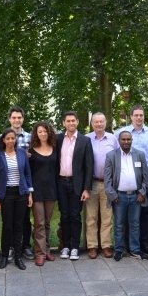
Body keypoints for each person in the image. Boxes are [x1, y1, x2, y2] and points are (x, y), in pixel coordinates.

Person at [115, 105, 148, 255]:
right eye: (136, 115)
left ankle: (144, 243)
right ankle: (126, 244)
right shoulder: (120, 133)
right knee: (126, 211)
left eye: (141, 115)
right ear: (131, 116)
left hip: (147, 174)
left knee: (146, 210)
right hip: (128, 173)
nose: (139, 118)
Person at [104, 131, 148, 261]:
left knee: (135, 224)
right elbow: (107, 180)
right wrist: (113, 195)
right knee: (118, 224)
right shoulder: (111, 156)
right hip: (119, 197)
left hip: (136, 196)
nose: (126, 142)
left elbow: (146, 177)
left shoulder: (139, 155)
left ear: (132, 140)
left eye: (128, 139)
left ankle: (135, 250)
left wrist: (142, 192)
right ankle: (119, 250)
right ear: (119, 141)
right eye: (123, 139)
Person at [0, 128, 34, 270]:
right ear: (3, 140)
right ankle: (4, 256)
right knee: (7, 226)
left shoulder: (22, 153)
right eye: (8, 138)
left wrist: (29, 193)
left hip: (21, 193)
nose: (11, 141)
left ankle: (17, 257)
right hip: (6, 195)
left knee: (19, 226)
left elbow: (27, 174)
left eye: (13, 138)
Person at [56, 111, 94, 260]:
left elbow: (89, 166)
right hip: (61, 182)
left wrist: (86, 188)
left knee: (75, 215)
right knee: (64, 215)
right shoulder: (58, 139)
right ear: (63, 123)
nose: (71, 123)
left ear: (77, 122)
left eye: (73, 120)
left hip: (76, 183)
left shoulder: (84, 141)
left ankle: (75, 247)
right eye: (68, 121)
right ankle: (65, 246)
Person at [85, 112, 118, 259]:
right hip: (91, 183)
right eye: (96, 122)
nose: (99, 124)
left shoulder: (113, 138)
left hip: (108, 183)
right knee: (91, 217)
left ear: (106, 122)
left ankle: (106, 245)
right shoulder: (86, 139)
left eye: (101, 121)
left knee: (107, 217)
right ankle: (92, 246)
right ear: (92, 124)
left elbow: (119, 160)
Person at [29, 121, 58, 266]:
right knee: (39, 223)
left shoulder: (54, 148)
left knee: (46, 222)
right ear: (36, 134)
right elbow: (28, 173)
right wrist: (29, 192)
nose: (43, 134)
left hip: (51, 190)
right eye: (40, 131)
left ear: (49, 132)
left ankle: (46, 250)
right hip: (37, 191)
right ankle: (39, 253)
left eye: (45, 131)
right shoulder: (31, 151)